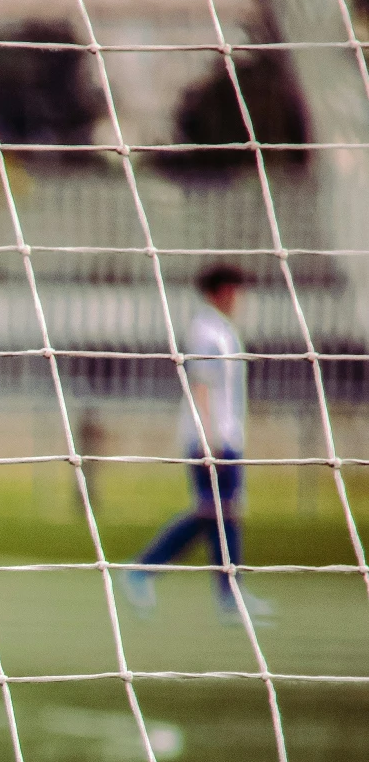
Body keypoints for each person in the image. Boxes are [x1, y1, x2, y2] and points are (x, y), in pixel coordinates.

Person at [121, 263, 268, 624]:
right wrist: (209, 438)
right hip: (211, 438)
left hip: (226, 434)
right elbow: (201, 384)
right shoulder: (206, 331)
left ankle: (227, 593)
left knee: (222, 513)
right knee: (215, 511)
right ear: (220, 291)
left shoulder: (222, 329)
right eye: (234, 290)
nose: (239, 298)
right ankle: (144, 569)